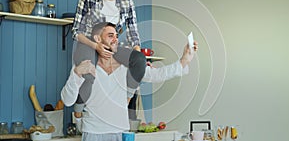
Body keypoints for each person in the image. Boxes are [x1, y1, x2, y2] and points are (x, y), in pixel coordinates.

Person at [61, 22, 198, 141]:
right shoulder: (84, 65)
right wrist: (76, 73)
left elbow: (157, 75)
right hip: (93, 133)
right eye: (110, 36)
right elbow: (67, 100)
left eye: (116, 36)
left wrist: (184, 60)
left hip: (121, 132)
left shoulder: (125, 67)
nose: (115, 39)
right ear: (97, 39)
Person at [71, 0, 144, 118]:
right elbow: (76, 32)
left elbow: (133, 34)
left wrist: (138, 54)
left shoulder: (127, 3)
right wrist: (96, 46)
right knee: (89, 72)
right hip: (89, 44)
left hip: (112, 46)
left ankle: (125, 101)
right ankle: (78, 113)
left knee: (139, 60)